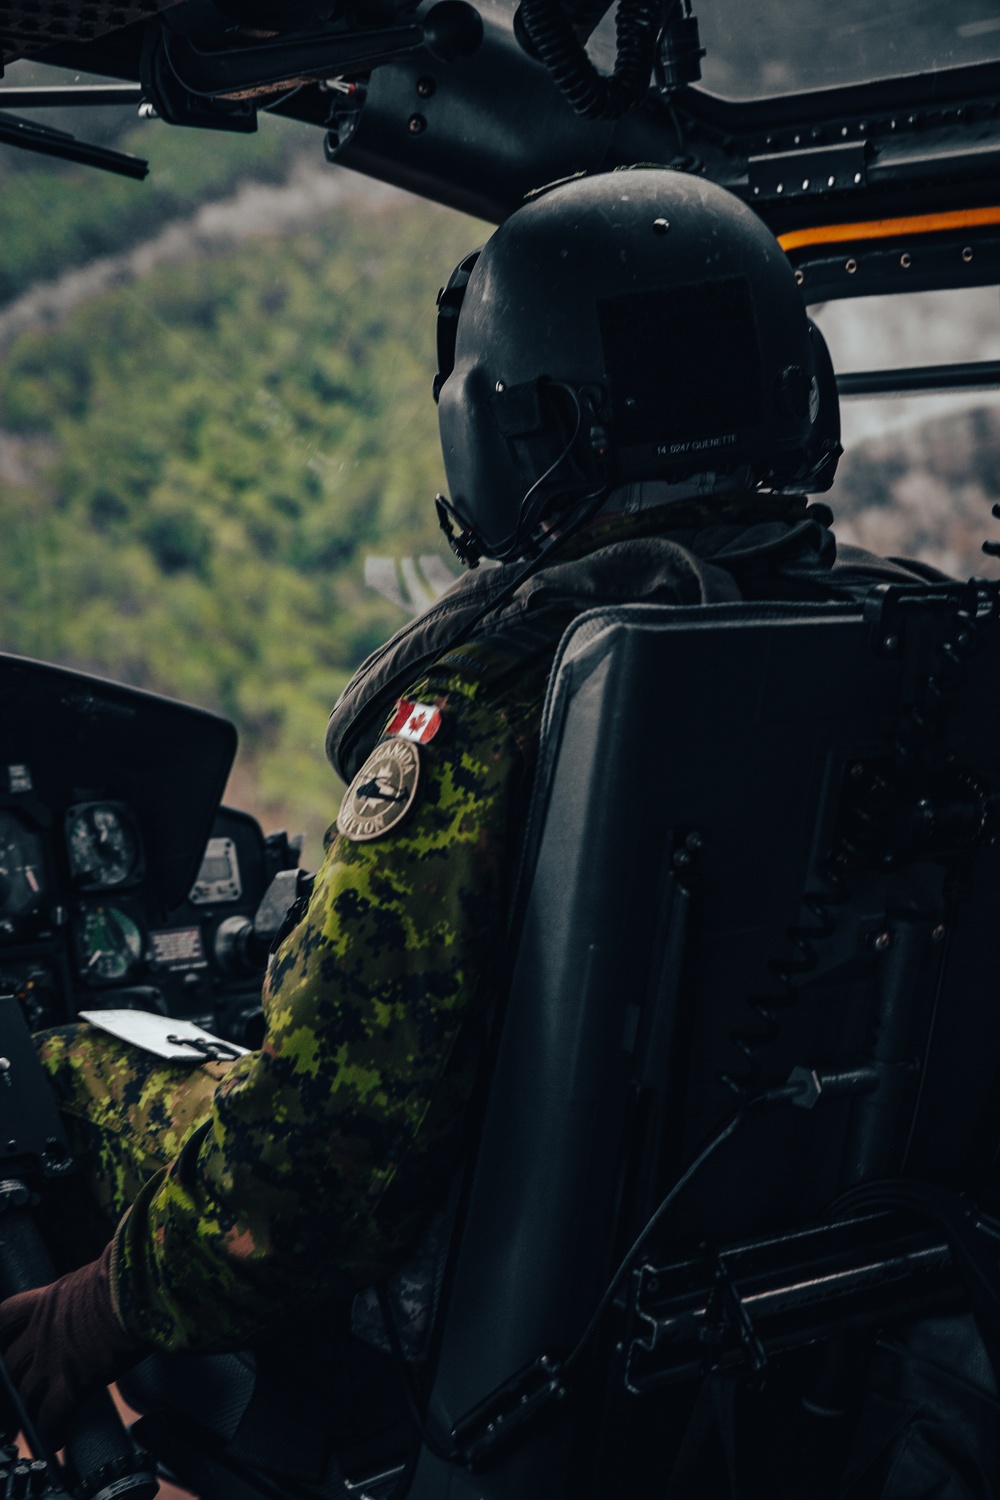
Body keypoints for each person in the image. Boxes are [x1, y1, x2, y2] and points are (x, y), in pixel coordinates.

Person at [0, 166, 988, 1492]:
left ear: (507, 437)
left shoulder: (492, 708)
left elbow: (313, 1169)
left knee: (52, 1061)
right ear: (795, 392)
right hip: (799, 1340)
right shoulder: (923, 653)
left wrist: (84, 1317)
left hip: (494, 1363)